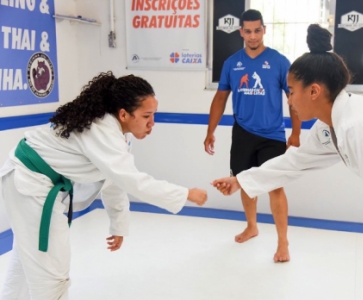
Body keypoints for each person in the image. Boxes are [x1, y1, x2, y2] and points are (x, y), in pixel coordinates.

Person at [212, 24, 363, 300]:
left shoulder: (361, 127)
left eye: (291, 90)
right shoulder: (333, 124)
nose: (289, 99)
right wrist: (241, 180)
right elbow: (295, 162)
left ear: (314, 91)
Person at [0, 71, 208, 300]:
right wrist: (186, 193)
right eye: (147, 115)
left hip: (28, 181)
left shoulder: (118, 133)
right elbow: (133, 181)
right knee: (51, 276)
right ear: (124, 114)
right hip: (31, 184)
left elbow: (115, 180)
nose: (152, 124)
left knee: (27, 261)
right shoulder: (102, 129)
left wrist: (118, 225)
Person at [204, 9, 302, 263]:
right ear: (241, 32)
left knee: (274, 187)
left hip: (273, 135)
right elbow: (221, 97)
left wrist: (296, 132)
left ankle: (283, 243)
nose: (253, 35)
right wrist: (210, 131)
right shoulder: (232, 63)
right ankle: (252, 226)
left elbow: (293, 99)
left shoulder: (279, 61)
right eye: (248, 31)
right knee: (245, 183)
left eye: (257, 30)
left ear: (264, 30)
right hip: (243, 132)